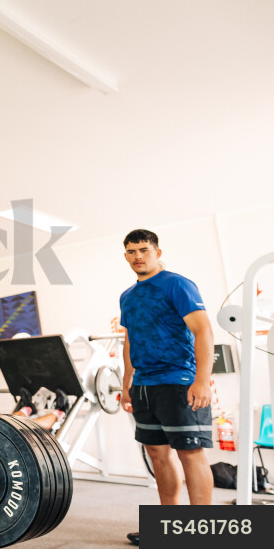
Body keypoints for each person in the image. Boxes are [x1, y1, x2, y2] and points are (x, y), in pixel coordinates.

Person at [119, 229, 214, 546]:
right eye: (131, 251)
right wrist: (127, 384)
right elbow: (129, 340)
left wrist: (202, 380)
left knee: (190, 453)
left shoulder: (177, 284)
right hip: (144, 385)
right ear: (125, 256)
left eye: (143, 249)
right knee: (157, 456)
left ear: (157, 252)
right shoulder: (127, 296)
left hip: (177, 381)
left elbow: (203, 330)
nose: (138, 256)